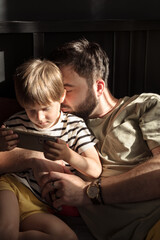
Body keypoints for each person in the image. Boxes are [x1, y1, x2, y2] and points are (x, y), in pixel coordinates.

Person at [37, 38, 160, 240]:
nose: (57, 99)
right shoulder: (54, 123)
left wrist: (88, 193)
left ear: (99, 87)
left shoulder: (144, 105)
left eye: (66, 90)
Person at [0, 59, 101, 240]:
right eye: (30, 110)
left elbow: (95, 170)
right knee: (7, 234)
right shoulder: (16, 122)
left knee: (69, 237)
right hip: (13, 187)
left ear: (61, 96)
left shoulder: (74, 126)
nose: (39, 117)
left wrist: (69, 155)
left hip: (40, 205)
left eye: (46, 108)